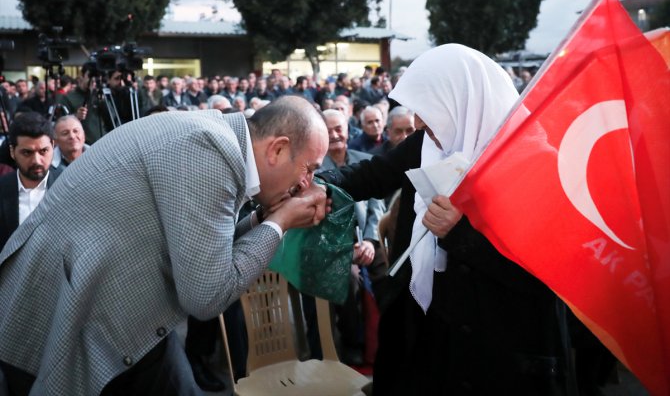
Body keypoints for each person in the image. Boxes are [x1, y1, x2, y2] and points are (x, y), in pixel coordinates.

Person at [0, 96, 330, 396]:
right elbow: (207, 296)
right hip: (58, 317)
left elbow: (209, 251)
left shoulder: (214, 137)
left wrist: (263, 220)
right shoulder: (212, 150)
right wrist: (280, 222)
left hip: (123, 314)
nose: (308, 184)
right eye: (310, 168)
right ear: (277, 149)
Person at [320, 44, 573, 395]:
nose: (419, 122)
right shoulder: (428, 143)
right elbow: (373, 174)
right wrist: (319, 185)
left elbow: (544, 275)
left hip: (502, 345)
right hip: (433, 327)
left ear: (464, 104)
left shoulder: (534, 161)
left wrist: (460, 234)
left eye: (430, 110)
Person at [317, 109, 386, 366]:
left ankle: (386, 339)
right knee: (349, 279)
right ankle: (353, 342)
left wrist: (370, 240)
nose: (335, 135)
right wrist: (348, 248)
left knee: (392, 273)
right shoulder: (316, 168)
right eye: (329, 130)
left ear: (348, 129)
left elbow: (378, 208)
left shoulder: (364, 160)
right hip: (336, 247)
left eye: (339, 128)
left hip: (369, 240)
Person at [0, 112, 62, 250]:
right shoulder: (2, 189)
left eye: (43, 151)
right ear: (12, 151)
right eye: (27, 153)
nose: (36, 160)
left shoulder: (69, 186)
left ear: (52, 145)